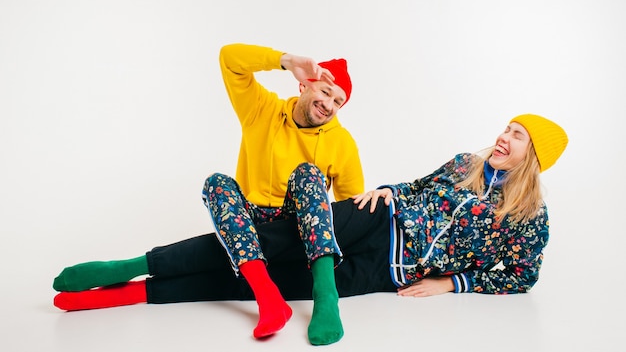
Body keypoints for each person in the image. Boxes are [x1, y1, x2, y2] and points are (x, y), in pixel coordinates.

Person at [53, 114, 568, 346]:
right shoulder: (465, 163)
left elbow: (522, 277)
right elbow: (415, 186)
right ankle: (136, 264)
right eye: (505, 128)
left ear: (534, 155)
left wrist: (451, 282)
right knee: (272, 238)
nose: (502, 137)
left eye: (516, 135)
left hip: (384, 270)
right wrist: (389, 190)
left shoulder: (527, 218)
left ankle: (133, 296)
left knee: (266, 282)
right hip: (376, 218)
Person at [52, 43, 364, 341]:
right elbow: (230, 58)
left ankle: (326, 297)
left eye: (338, 101)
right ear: (304, 85)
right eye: (326, 92)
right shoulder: (262, 108)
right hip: (246, 228)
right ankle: (267, 296)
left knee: (308, 174)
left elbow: (350, 210)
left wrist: (380, 199)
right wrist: (286, 60)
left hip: (295, 231)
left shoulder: (342, 142)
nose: (329, 105)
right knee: (217, 182)